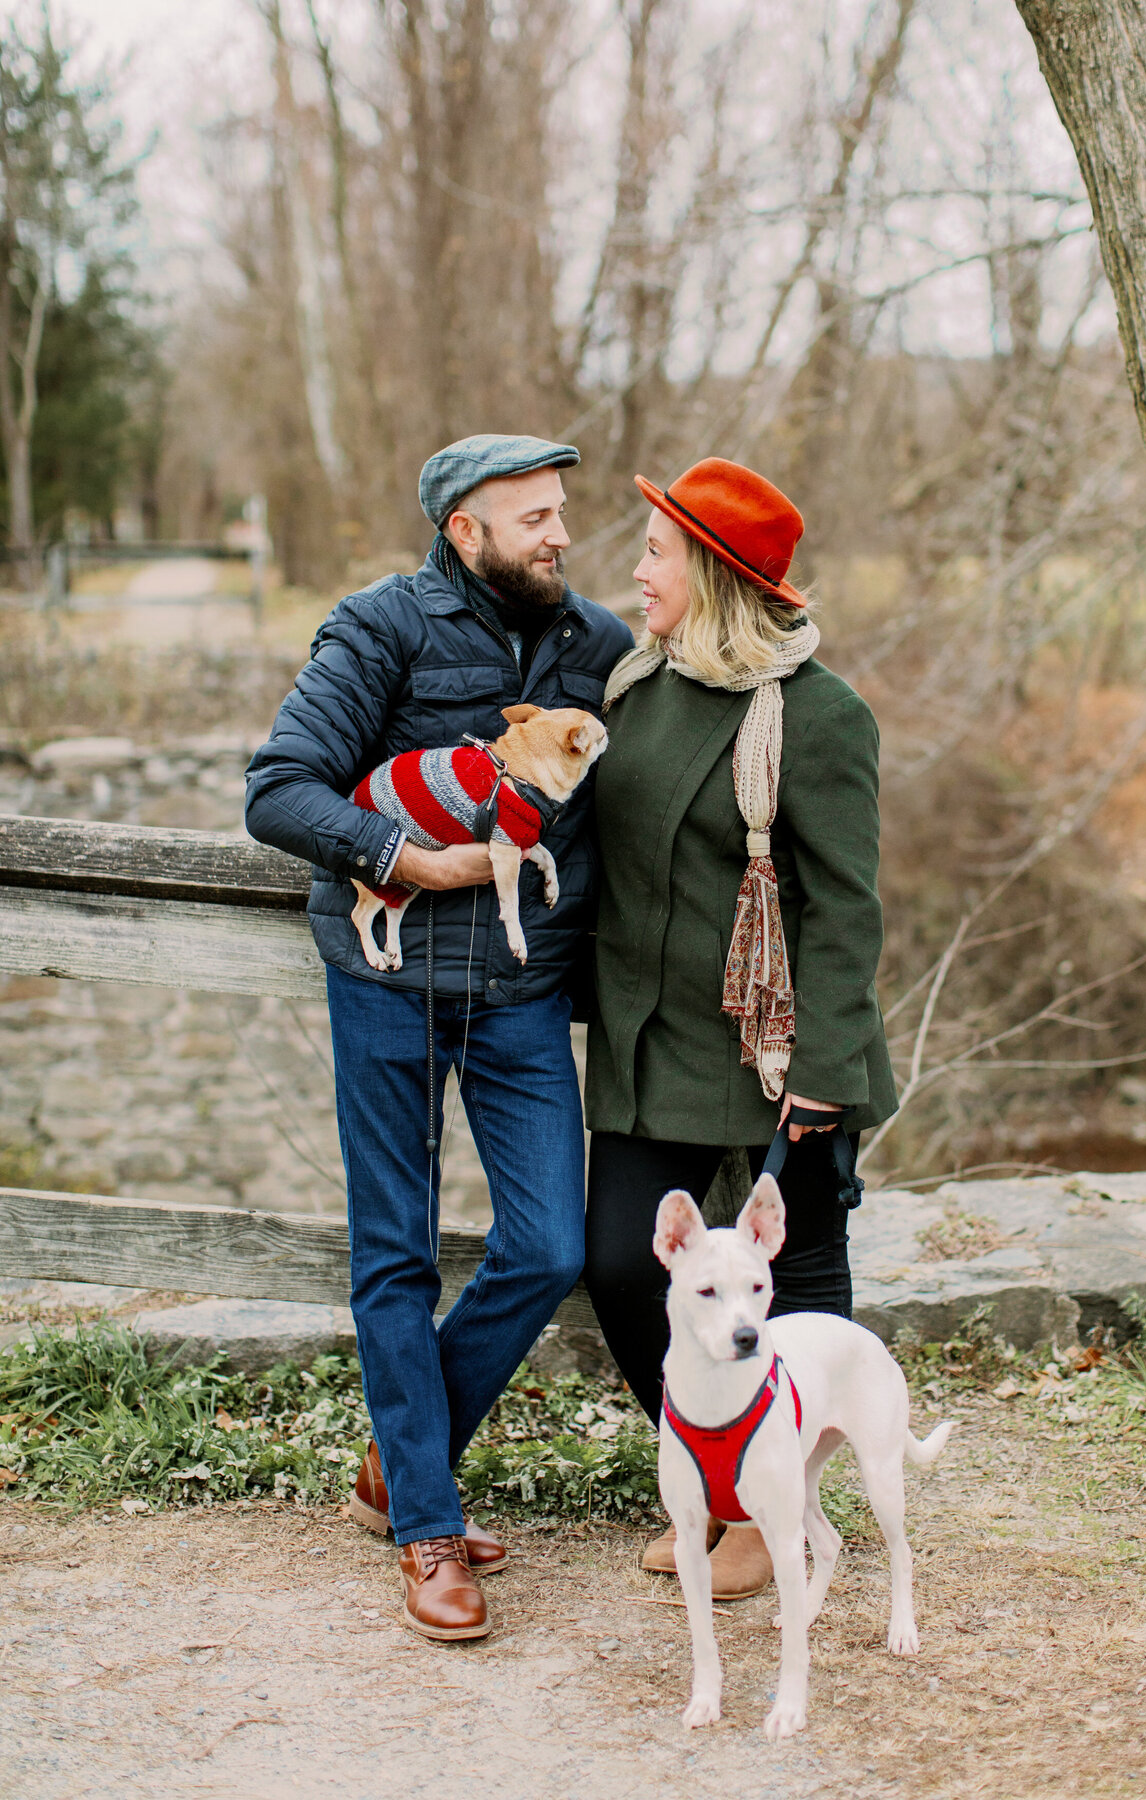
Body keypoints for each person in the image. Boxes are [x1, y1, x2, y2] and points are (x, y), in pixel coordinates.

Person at [245, 434, 633, 1641]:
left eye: (560, 511)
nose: (560, 534)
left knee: (550, 1245)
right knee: (396, 1254)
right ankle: (426, 1523)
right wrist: (405, 858)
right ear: (465, 531)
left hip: (522, 990)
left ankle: (398, 1465)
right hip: (390, 984)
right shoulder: (380, 628)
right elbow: (279, 789)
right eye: (533, 518)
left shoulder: (597, 645)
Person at [583, 457, 897, 1599]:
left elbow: (848, 909)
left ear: (712, 577)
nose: (637, 570)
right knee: (620, 1263)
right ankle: (724, 1487)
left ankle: (777, 1512)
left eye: (657, 552)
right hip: (653, 1041)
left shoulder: (819, 718)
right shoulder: (636, 685)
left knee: (797, 1282)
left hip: (781, 1053)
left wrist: (824, 1072)